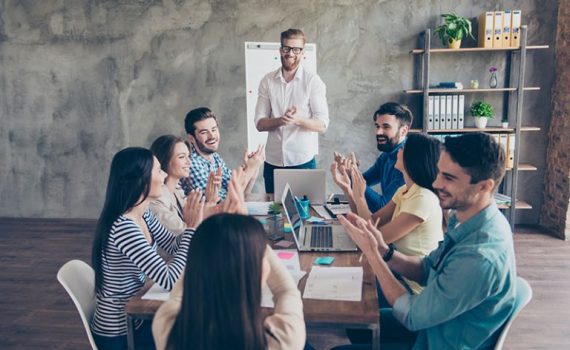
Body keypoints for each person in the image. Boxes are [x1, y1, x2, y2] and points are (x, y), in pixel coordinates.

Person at [337, 133, 517, 349]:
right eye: (439, 172)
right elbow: (427, 268)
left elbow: (412, 315)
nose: (436, 182)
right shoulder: (465, 222)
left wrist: (373, 254)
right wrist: (385, 252)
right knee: (356, 324)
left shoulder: (479, 256)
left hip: (433, 340)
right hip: (432, 323)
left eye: (449, 178)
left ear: (483, 187)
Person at [91, 147, 203, 350]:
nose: (165, 176)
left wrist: (190, 226)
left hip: (137, 317)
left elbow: (172, 245)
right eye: (159, 171)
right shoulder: (123, 226)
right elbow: (169, 280)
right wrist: (192, 228)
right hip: (121, 332)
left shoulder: (144, 214)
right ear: (141, 180)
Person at [152, 213, 306, 350]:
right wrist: (246, 235)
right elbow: (285, 290)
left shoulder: (168, 327)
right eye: (263, 254)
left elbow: (184, 287)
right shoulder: (283, 340)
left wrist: (209, 235)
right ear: (255, 272)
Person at [336, 133, 443, 295]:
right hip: (396, 272)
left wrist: (359, 196)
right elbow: (371, 221)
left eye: (404, 148)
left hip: (411, 286)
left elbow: (373, 238)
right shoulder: (404, 191)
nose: (399, 151)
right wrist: (348, 190)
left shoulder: (422, 198)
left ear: (413, 158)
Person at [254, 28, 329, 193]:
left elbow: (322, 125)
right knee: (274, 213)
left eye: (296, 49)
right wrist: (281, 120)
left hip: (302, 161)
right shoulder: (267, 81)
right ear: (280, 50)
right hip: (273, 162)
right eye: (287, 48)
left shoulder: (313, 82)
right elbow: (259, 123)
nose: (291, 54)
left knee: (305, 214)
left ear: (303, 52)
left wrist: (297, 120)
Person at [333, 102, 411, 213]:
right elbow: (364, 182)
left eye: (386, 127)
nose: (378, 132)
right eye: (377, 126)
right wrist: (350, 172)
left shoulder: (407, 163)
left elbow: (381, 206)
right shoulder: (386, 156)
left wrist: (354, 175)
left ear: (403, 130)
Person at [181, 107, 264, 199]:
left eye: (213, 129)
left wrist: (252, 170)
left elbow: (242, 194)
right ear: (191, 138)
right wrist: (250, 169)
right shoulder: (191, 165)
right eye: (204, 132)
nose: (212, 136)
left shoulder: (215, 157)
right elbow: (224, 204)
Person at [149, 135, 220, 235]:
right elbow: (183, 233)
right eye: (181, 157)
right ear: (164, 160)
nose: (189, 162)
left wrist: (211, 199)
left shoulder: (177, 190)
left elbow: (192, 220)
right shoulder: (155, 199)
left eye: (188, 156)